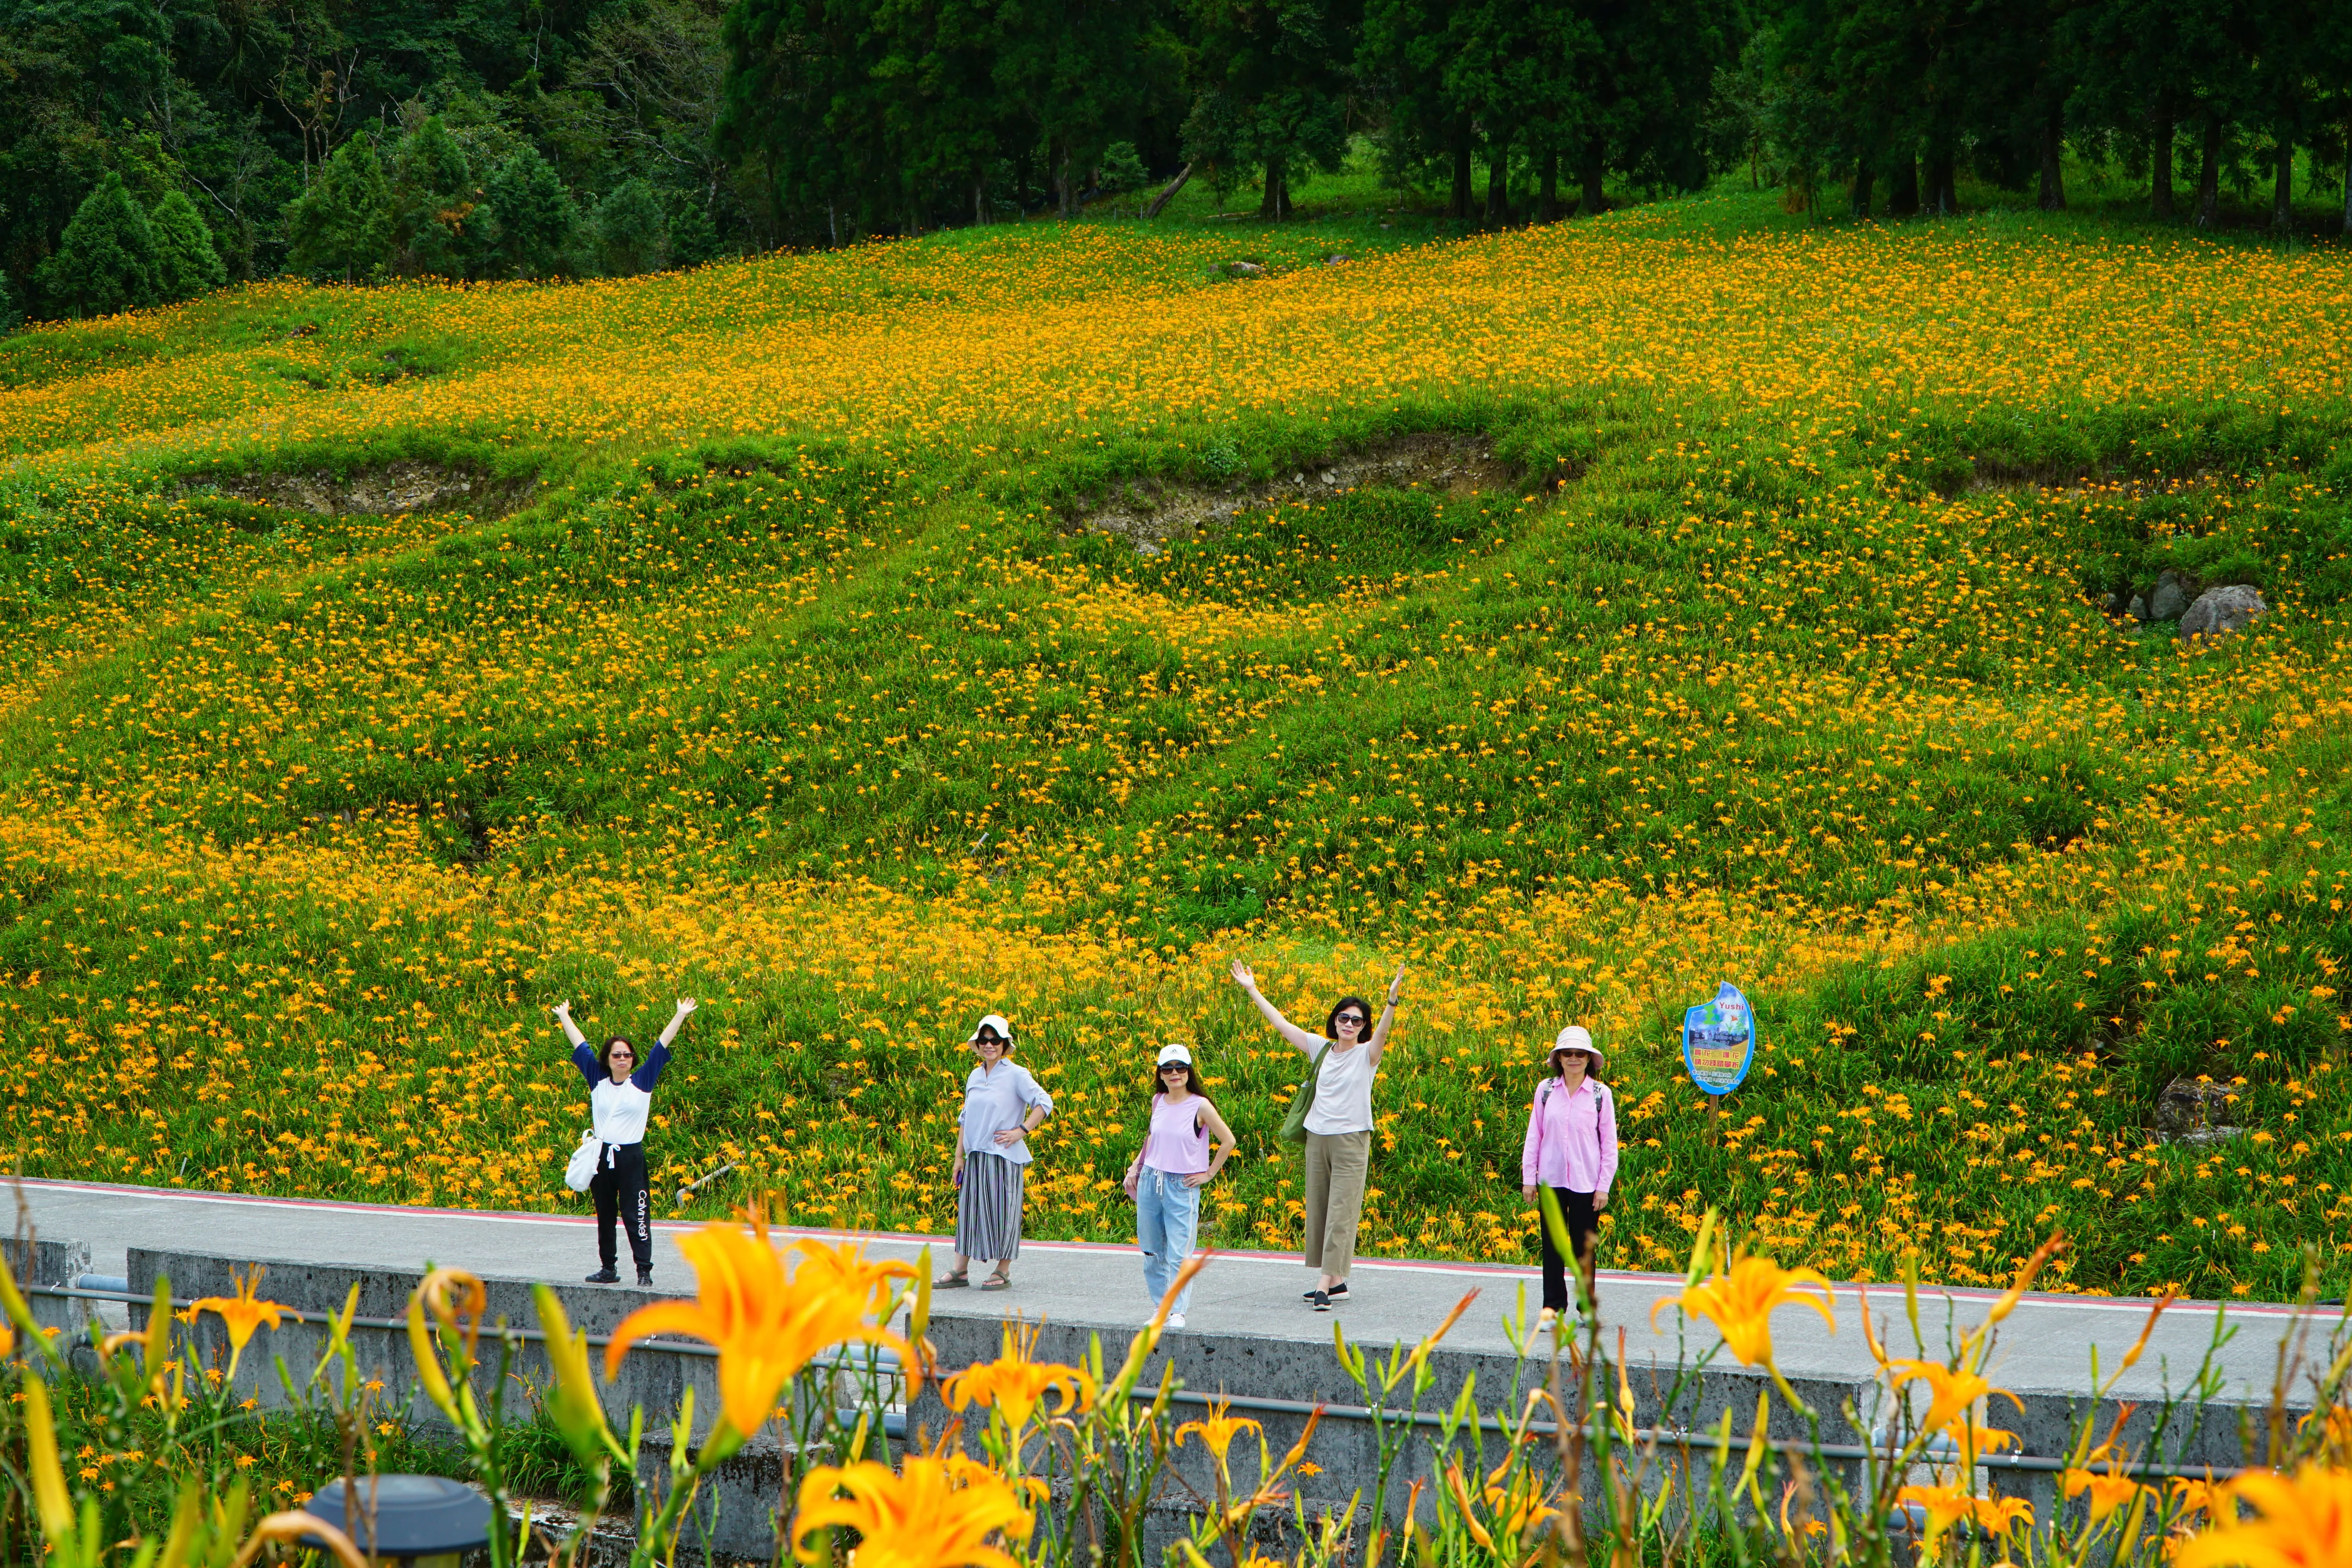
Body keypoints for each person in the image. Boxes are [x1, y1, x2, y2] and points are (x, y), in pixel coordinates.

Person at [1231, 958, 1405, 1310]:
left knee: (1342, 1211)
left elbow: (1384, 1035)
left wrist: (1391, 1002)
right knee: (1322, 1210)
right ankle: (1337, 1283)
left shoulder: (1367, 1055)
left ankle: (1324, 1284)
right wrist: (1253, 990)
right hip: (1317, 1137)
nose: (1349, 1025)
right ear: (1335, 1021)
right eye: (1344, 1018)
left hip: (1351, 1140)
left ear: (1365, 1027)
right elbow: (1282, 1026)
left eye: (1357, 1021)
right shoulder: (1321, 1048)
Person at [555, 996, 697, 1286]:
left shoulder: (642, 1081)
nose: (623, 1059)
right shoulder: (597, 1079)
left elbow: (661, 1046)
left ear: (633, 1059)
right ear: (607, 1059)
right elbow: (581, 1046)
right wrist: (565, 1016)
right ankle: (608, 1269)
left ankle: (644, 1271)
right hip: (601, 1158)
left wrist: (681, 1014)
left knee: (637, 1214)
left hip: (631, 1159)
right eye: (617, 1055)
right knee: (605, 1215)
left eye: (628, 1055)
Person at [1120, 1043, 1235, 1330]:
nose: (1175, 1074)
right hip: (1151, 1180)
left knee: (1179, 1253)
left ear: (1189, 1071)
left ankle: (1177, 1312)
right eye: (1168, 1069)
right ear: (1160, 1073)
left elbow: (1228, 1141)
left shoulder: (1200, 1105)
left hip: (1181, 1185)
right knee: (1151, 1251)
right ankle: (1161, 1309)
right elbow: (1152, 1138)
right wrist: (1135, 1167)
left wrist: (1208, 1174)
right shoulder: (1158, 1101)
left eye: (1181, 1068)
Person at [938, 1013, 1053, 1292]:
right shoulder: (975, 1076)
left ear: (1004, 1045)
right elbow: (966, 1119)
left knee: (1005, 1212)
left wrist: (1020, 1131)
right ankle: (960, 1270)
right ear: (978, 1044)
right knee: (969, 1213)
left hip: (1004, 1156)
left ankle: (1003, 1270)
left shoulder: (1016, 1074)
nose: (989, 1045)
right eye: (984, 1040)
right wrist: (959, 1157)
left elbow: (1044, 1103)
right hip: (976, 1156)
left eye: (995, 1040)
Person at [1519, 1025, 1618, 1325]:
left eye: (1580, 1054)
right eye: (1568, 1053)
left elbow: (1609, 1144)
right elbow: (1534, 1135)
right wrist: (1529, 1178)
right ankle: (1552, 1308)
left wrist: (1604, 1186)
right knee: (1552, 1246)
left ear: (1589, 1059)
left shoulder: (1601, 1095)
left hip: (1587, 1183)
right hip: (1550, 1180)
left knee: (1583, 1249)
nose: (1574, 1059)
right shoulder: (1546, 1091)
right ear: (1559, 1058)